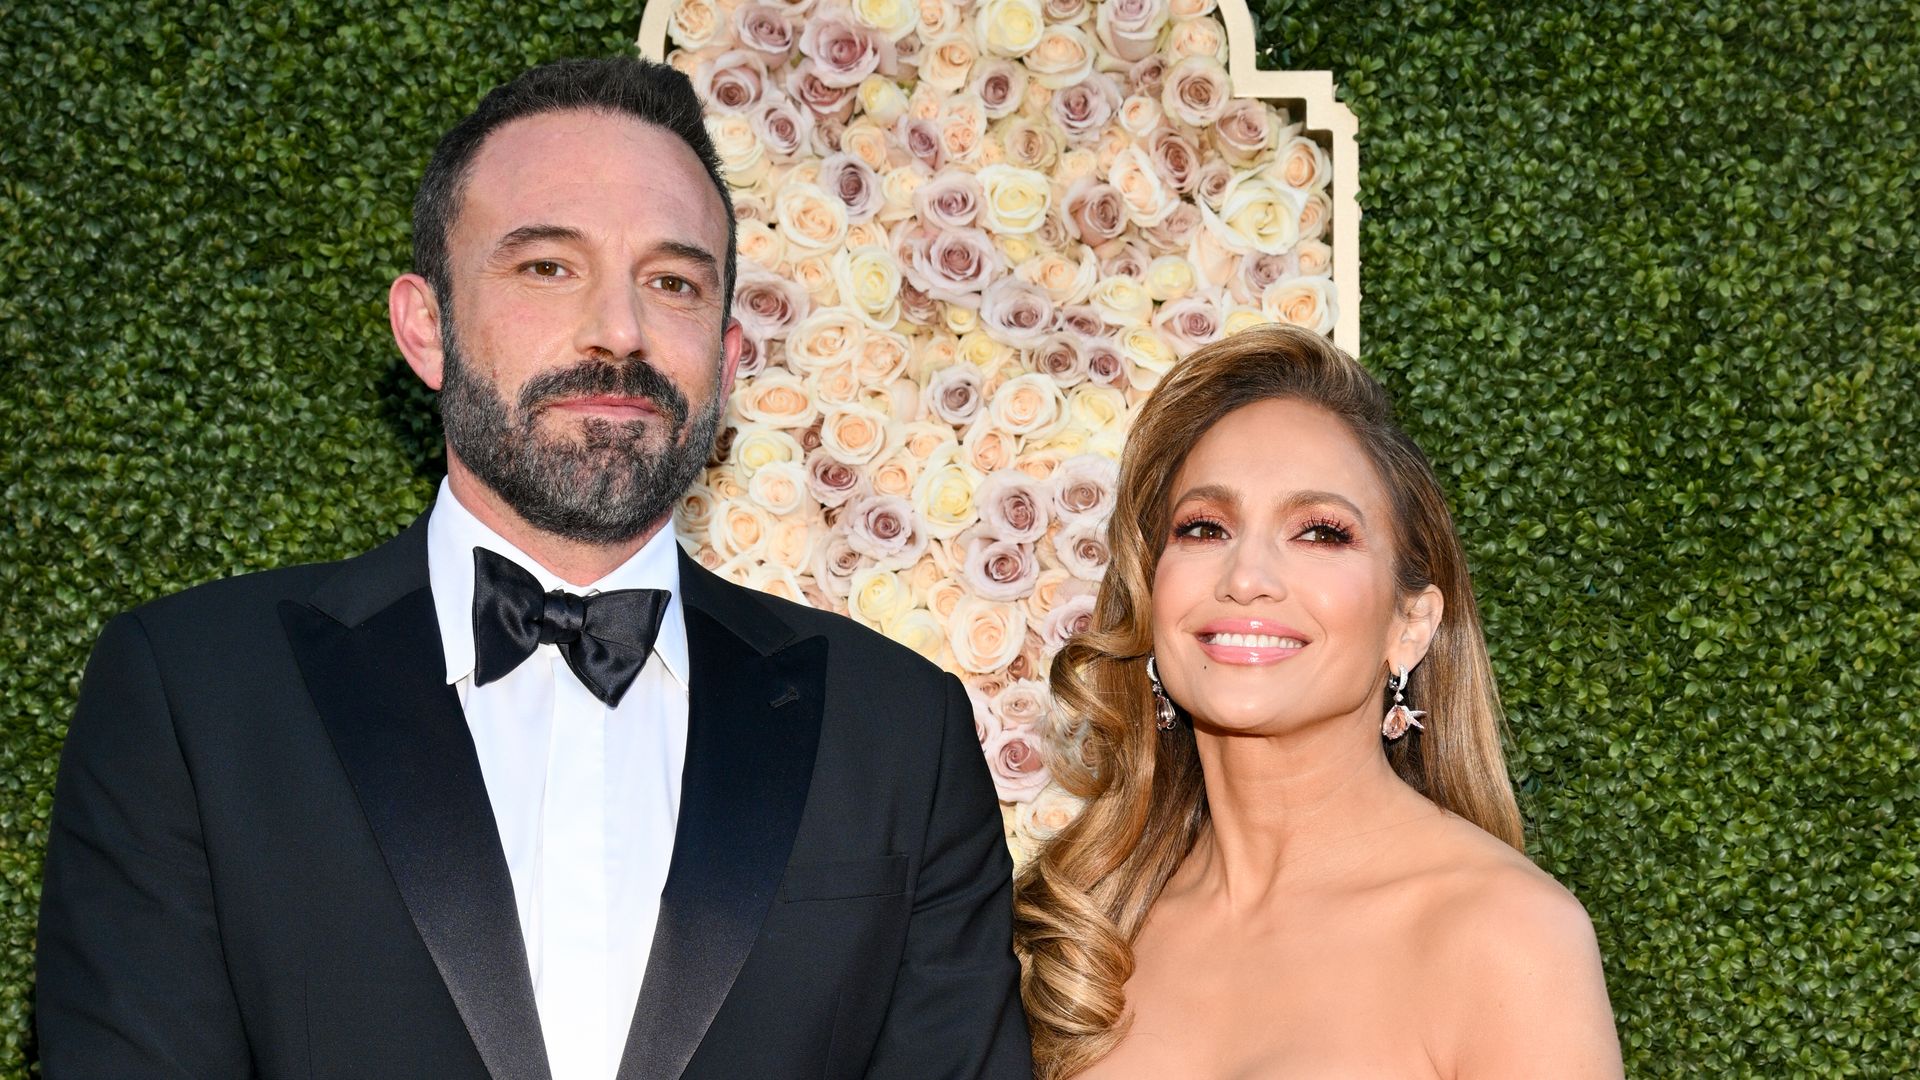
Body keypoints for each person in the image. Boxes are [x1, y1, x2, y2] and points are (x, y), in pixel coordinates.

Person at [36, 56, 1030, 1080]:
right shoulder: (194, 695)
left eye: (673, 281)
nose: (619, 332)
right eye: (547, 266)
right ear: (428, 328)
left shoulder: (899, 732)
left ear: (729, 361)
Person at [1013, 325, 1621, 1078]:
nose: (1247, 576)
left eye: (1321, 533)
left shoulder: (1506, 936)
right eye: (1205, 527)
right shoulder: (1084, 928)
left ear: (1410, 625)